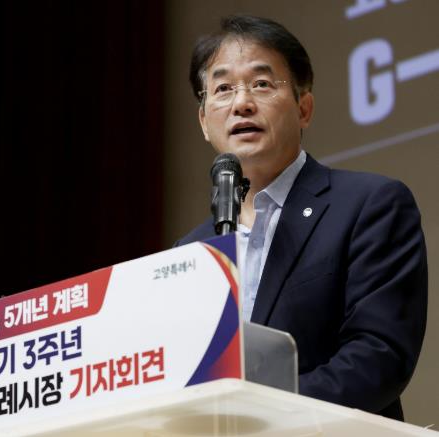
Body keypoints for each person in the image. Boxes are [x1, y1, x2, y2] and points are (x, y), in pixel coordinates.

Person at [175, 15, 427, 420]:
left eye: (261, 83)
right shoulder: (189, 251)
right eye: (222, 89)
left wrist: (258, 417)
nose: (242, 103)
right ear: (204, 122)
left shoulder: (370, 205)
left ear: (304, 108)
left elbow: (379, 356)